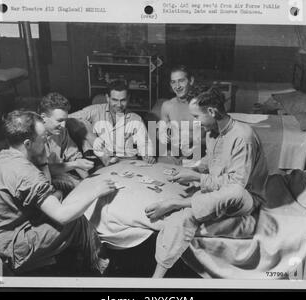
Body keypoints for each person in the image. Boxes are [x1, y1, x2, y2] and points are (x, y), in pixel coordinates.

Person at [145, 87, 268, 278]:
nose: (195, 122)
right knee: (183, 217)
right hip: (217, 193)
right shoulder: (212, 132)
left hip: (245, 196)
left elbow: (236, 185)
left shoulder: (243, 137)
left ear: (211, 112)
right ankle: (156, 280)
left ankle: (176, 203)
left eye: (196, 117)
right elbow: (210, 162)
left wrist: (197, 178)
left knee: (233, 193)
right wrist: (192, 170)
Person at [0, 110, 116, 275]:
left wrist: (42, 161)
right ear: (27, 144)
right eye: (43, 137)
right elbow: (62, 216)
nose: (47, 139)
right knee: (75, 221)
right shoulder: (26, 173)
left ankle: (79, 255)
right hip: (10, 246)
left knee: (59, 194)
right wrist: (97, 190)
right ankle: (100, 265)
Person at [69, 80, 156, 165]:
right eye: (115, 100)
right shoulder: (95, 110)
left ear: (128, 98)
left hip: (127, 162)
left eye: (123, 100)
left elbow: (144, 143)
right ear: (107, 98)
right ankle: (106, 159)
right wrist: (90, 137)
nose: (119, 105)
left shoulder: (136, 118)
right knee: (81, 122)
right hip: (101, 161)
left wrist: (147, 155)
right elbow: (67, 118)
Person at [39, 92, 95, 194]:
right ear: (43, 117)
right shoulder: (34, 137)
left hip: (60, 174)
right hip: (41, 181)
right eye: (59, 120)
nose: (64, 125)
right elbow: (44, 170)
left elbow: (73, 156)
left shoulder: (62, 131)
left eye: (65, 120)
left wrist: (90, 181)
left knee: (88, 186)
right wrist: (75, 164)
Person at [159, 65, 202, 164]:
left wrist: (190, 137)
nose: (177, 86)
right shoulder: (167, 106)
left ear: (191, 80)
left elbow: (214, 138)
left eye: (181, 81)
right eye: (173, 82)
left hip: (197, 158)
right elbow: (160, 134)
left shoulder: (202, 105)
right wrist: (162, 135)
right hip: (172, 157)